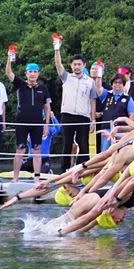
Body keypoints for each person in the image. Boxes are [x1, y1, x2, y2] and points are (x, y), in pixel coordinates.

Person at [5, 56, 52, 183]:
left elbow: (47, 108)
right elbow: (8, 72)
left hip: (37, 123)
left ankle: (37, 178)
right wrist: (10, 58)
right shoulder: (20, 84)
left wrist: (46, 125)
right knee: (20, 148)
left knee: (37, 149)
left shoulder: (43, 88)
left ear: (38, 73)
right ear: (26, 73)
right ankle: (15, 177)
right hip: (22, 122)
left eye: (35, 71)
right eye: (30, 71)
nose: (32, 74)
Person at [54, 36, 97, 172]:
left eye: (79, 64)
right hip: (67, 114)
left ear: (84, 65)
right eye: (74, 64)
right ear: (71, 66)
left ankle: (82, 170)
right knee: (66, 143)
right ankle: (64, 171)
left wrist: (93, 119)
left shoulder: (90, 81)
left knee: (83, 144)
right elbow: (58, 65)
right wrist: (57, 49)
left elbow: (92, 100)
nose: (77, 67)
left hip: (83, 115)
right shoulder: (66, 77)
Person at [95, 73, 134, 150]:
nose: (117, 84)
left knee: (120, 152)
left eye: (120, 83)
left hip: (121, 130)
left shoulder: (128, 98)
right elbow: (98, 87)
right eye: (115, 82)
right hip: (106, 129)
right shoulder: (106, 94)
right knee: (105, 152)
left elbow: (132, 115)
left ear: (123, 85)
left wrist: (128, 128)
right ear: (112, 84)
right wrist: (99, 74)